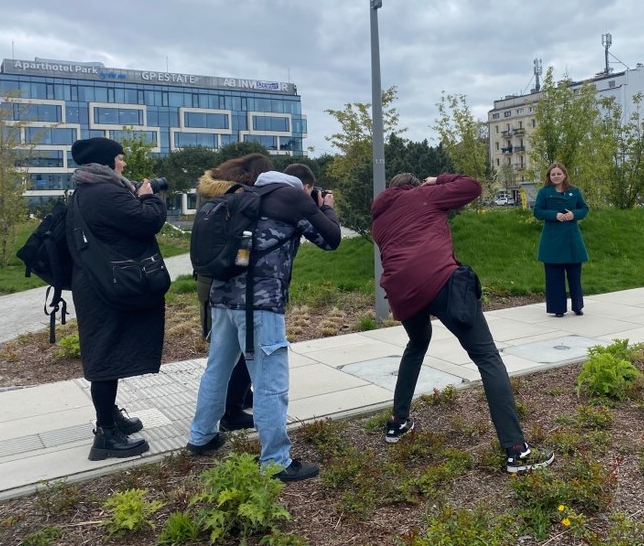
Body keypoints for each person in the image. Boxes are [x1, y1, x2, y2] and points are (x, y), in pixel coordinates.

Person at [371, 172, 555, 474]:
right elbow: (472, 186)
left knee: (417, 343)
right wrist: (438, 180)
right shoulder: (423, 195)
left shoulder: (379, 219)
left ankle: (398, 422)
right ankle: (516, 450)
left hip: (402, 292)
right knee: (487, 357)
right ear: (415, 186)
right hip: (440, 281)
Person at [186, 160, 341, 483]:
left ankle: (201, 436)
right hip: (259, 304)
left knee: (217, 368)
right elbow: (331, 239)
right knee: (270, 378)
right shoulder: (293, 196)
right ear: (306, 187)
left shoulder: (245, 194)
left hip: (222, 296)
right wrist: (326, 208)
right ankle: (275, 460)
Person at [67, 137, 168, 461]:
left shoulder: (85, 190)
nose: (123, 163)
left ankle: (111, 419)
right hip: (104, 286)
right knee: (105, 356)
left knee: (106, 351)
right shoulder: (105, 192)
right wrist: (150, 198)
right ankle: (106, 435)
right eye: (120, 158)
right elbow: (147, 221)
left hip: (94, 281)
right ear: (106, 161)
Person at [195, 153, 273, 432]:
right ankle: (232, 409)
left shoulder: (212, 193)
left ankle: (216, 417)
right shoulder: (242, 198)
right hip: (236, 282)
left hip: (209, 278)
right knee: (242, 350)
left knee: (221, 354)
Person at [533, 162, 589, 317]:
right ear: (549, 177)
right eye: (553, 174)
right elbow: (537, 211)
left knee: (575, 275)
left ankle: (578, 306)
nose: (556, 176)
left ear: (564, 175)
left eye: (559, 173)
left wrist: (574, 214)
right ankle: (557, 308)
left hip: (572, 238)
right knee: (554, 277)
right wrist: (554, 215)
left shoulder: (574, 191)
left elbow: (584, 209)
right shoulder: (544, 192)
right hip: (552, 240)